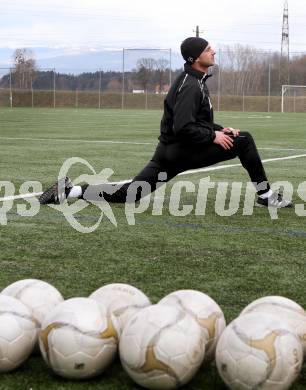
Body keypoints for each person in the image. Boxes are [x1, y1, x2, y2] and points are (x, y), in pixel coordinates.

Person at [39, 37, 292, 208]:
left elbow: (195, 122)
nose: (213, 51)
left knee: (131, 194)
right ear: (195, 58)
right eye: (207, 49)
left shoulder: (195, 82)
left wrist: (219, 129)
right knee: (244, 141)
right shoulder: (191, 86)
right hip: (181, 150)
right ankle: (266, 195)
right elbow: (183, 127)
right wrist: (213, 137)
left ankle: (70, 191)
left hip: (171, 153)